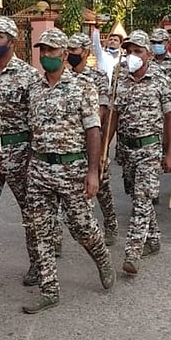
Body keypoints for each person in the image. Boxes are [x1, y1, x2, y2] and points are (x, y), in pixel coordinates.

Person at [23, 28, 115, 314]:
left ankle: (101, 257)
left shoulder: (82, 87)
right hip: (39, 168)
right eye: (42, 50)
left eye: (51, 51)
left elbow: (93, 132)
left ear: (64, 55)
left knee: (81, 226)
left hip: (72, 168)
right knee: (39, 229)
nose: (46, 56)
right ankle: (49, 288)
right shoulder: (34, 88)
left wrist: (92, 171)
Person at [102, 30, 171, 275]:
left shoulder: (161, 79)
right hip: (126, 148)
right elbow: (113, 116)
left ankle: (133, 252)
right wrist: (105, 147)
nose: (132, 56)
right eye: (129, 51)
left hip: (150, 148)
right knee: (137, 195)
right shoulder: (119, 78)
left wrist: (170, 153)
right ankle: (153, 238)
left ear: (148, 55)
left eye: (137, 51)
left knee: (143, 198)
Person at [0, 16, 40, 287]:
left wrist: (33, 156)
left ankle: (39, 263)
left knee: (32, 211)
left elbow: (36, 118)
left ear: (12, 42)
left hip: (20, 150)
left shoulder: (28, 75)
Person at [67, 32, 118, 246]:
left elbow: (103, 112)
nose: (70, 54)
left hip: (92, 139)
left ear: (86, 52)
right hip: (70, 143)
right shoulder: (65, 77)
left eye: (74, 51)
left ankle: (110, 223)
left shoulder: (97, 78)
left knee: (102, 187)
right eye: (67, 50)